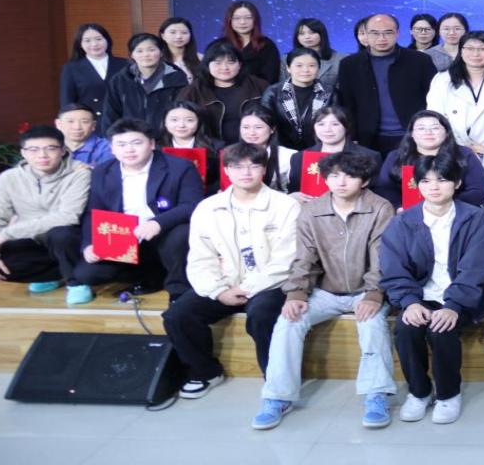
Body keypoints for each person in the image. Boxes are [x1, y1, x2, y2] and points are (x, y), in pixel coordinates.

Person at [253, 151, 397, 430]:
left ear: (365, 180)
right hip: (325, 291)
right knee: (288, 321)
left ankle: (376, 395)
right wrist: (296, 294)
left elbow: (382, 257)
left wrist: (374, 294)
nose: (341, 182)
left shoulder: (380, 208)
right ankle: (277, 397)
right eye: (334, 176)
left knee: (372, 324)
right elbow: (304, 257)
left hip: (365, 290)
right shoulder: (312, 210)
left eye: (350, 176)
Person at [164, 142, 298, 399]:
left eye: (253, 166)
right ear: (226, 170)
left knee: (262, 315)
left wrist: (247, 288)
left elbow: (286, 260)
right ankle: (205, 372)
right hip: (225, 283)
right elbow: (200, 258)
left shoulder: (285, 206)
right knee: (178, 315)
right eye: (237, 166)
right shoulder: (208, 207)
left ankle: (276, 382)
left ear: (264, 169)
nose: (246, 172)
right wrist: (217, 290)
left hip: (270, 284)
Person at [380, 153, 484, 425]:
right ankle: (419, 392)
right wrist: (409, 302)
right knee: (406, 329)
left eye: (442, 180)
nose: (433, 187)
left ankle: (448, 394)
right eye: (426, 181)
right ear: (417, 185)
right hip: (421, 295)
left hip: (464, 297)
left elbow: (476, 267)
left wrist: (454, 305)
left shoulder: (475, 218)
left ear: (457, 183)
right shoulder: (403, 221)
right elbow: (393, 267)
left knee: (441, 329)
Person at [51, 118, 203, 305]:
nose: (129, 150)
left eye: (136, 143)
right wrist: (89, 243)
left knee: (181, 234)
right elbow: (93, 212)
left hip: (163, 234)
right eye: (121, 145)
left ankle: (178, 291)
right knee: (87, 274)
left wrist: (158, 223)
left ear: (152, 144)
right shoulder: (102, 172)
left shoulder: (180, 167)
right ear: (112, 148)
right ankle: (152, 274)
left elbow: (192, 204)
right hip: (122, 237)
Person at [0, 125, 91, 293]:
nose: (42, 155)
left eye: (50, 148)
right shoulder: (9, 178)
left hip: (68, 240)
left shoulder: (79, 173)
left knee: (62, 234)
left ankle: (77, 282)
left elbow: (68, 216)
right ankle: (56, 274)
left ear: (63, 151)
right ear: (23, 153)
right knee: (2, 266)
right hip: (32, 238)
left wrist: (9, 233)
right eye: (33, 149)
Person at [333, 13, 438, 154]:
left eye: (388, 33)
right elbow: (346, 104)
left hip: (413, 135)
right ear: (366, 34)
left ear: (397, 33)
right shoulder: (349, 64)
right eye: (375, 33)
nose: (381, 38)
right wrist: (351, 136)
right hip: (368, 138)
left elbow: (434, 99)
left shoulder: (420, 60)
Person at [426, 30, 484, 157]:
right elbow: (435, 116)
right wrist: (457, 147)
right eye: (470, 48)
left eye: (483, 49)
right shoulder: (443, 78)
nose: (476, 54)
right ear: (461, 51)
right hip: (453, 149)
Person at [373, 111, 484, 208]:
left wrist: (446, 207)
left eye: (435, 128)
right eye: (421, 128)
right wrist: (398, 207)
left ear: (446, 132)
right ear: (411, 133)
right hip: (408, 214)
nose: (428, 132)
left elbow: (479, 189)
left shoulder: (463, 154)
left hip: (457, 211)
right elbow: (384, 188)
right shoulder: (396, 156)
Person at [177, 39, 269, 145]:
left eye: (231, 62)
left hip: (254, 148)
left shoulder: (259, 86)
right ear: (207, 65)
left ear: (240, 64)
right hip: (210, 149)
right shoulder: (193, 91)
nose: (224, 67)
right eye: (218, 63)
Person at [101, 33, 188, 133]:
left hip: (166, 137)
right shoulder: (120, 80)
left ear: (161, 52)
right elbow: (111, 113)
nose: (146, 54)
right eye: (139, 51)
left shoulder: (177, 78)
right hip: (131, 137)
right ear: (132, 55)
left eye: (151, 50)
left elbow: (183, 111)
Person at [285, 105, 381, 195]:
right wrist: (295, 196)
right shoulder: (299, 157)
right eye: (321, 124)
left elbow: (376, 191)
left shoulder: (369, 156)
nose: (327, 130)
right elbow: (293, 189)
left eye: (335, 124)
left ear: (346, 127)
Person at [260, 47, 334, 150]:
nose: (305, 70)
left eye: (312, 65)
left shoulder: (330, 93)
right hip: (281, 151)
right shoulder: (273, 93)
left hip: (320, 149)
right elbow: (264, 124)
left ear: (319, 68)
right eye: (299, 65)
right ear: (288, 68)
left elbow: (337, 124)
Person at [60, 23, 127, 123]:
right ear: (80, 44)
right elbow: (67, 102)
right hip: (90, 123)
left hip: (121, 122)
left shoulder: (125, 64)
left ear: (107, 40)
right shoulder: (71, 69)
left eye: (99, 39)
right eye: (87, 40)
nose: (94, 44)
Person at [160, 100, 222, 193]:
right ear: (165, 122)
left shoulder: (216, 147)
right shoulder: (155, 148)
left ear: (199, 122)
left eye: (189, 120)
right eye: (174, 120)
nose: (181, 125)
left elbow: (221, 179)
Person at [238, 102, 296, 194]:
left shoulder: (290, 156)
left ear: (272, 129)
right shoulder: (231, 154)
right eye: (246, 127)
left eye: (258, 127)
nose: (251, 132)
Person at [220, 0, 281, 84]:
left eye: (248, 18)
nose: (242, 22)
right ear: (229, 20)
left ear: (255, 20)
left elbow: (271, 79)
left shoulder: (267, 45)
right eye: (237, 18)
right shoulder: (219, 45)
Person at [282, 18, 345, 90]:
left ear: (321, 34)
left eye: (312, 32)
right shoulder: (286, 59)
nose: (307, 37)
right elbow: (282, 87)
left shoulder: (340, 59)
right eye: (302, 34)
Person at [56, 103, 113, 167]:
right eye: (70, 121)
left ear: (93, 125)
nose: (77, 127)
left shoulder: (107, 147)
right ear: (58, 124)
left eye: (84, 122)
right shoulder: (51, 146)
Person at [159, 16, 201, 81]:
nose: (178, 36)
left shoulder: (201, 59)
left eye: (184, 32)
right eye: (173, 32)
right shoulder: (157, 59)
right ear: (163, 36)